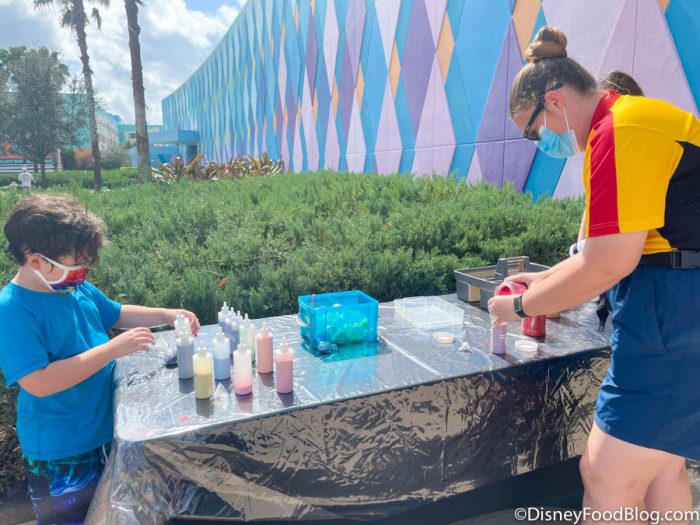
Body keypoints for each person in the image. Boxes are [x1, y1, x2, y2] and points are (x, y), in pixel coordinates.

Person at [490, 26, 700, 524]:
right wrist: (542, 283)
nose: (537, 143)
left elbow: (608, 264)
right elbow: (602, 251)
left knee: (605, 477)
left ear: (554, 101)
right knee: (662, 466)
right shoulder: (623, 124)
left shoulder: (619, 132)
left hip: (673, 316)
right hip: (673, 304)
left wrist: (519, 306)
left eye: (533, 131)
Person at [0, 194, 201, 524]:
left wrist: (166, 314)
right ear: (36, 262)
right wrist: (112, 349)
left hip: (105, 435)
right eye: (75, 266)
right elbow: (38, 382)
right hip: (61, 452)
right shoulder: (13, 310)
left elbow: (116, 313)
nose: (81, 274)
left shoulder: (73, 289)